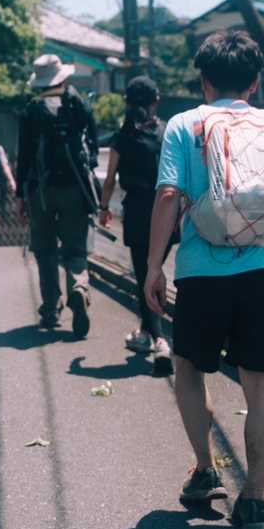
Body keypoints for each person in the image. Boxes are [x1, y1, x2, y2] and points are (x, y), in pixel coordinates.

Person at [143, 29, 264, 529]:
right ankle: (254, 498)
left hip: (202, 273)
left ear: (205, 80)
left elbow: (168, 196)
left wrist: (154, 267)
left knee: (190, 368)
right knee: (260, 383)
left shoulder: (184, 125)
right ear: (256, 82)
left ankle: (205, 469)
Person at [15, 53, 99, 337]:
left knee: (45, 249)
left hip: (40, 191)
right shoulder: (77, 104)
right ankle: (78, 287)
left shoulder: (31, 111)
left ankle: (51, 308)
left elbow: (24, 157)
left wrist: (20, 195)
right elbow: (93, 146)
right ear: (62, 77)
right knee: (75, 248)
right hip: (74, 187)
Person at [98, 76, 174, 376]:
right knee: (152, 272)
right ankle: (145, 333)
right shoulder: (166, 133)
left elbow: (109, 179)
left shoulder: (123, 136)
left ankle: (161, 341)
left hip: (138, 214)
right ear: (156, 101)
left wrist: (104, 208)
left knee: (145, 275)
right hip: (167, 212)